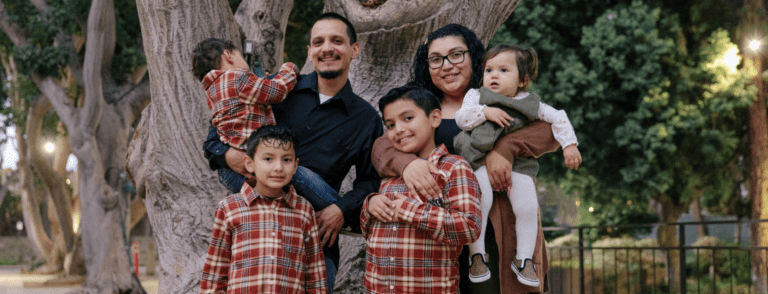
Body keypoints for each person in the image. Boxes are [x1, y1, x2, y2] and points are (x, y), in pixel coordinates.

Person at [371, 23, 562, 293]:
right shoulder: (421, 108)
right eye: (436, 59)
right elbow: (382, 146)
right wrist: (408, 163)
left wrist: (505, 149)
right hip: (435, 232)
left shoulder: (504, 99)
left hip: (496, 230)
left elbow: (550, 129)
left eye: (456, 54)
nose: (446, 65)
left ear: (474, 57)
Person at [203, 12, 383, 293]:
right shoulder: (281, 90)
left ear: (354, 50)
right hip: (256, 233)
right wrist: (230, 156)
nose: (327, 48)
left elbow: (371, 182)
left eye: (337, 41)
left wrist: (339, 209)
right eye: (319, 42)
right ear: (310, 52)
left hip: (318, 242)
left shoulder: (366, 118)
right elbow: (219, 133)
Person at [454, 44, 582, 286]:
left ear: (522, 80)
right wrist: (485, 112)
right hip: (477, 157)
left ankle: (524, 260)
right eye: (489, 69)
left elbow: (558, 118)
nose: (494, 75)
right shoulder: (476, 96)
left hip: (518, 164)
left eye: (504, 70)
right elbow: (462, 118)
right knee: (480, 201)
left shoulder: (531, 103)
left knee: (527, 207)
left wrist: (570, 145)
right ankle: (478, 255)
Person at [193, 37, 341, 212]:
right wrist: (290, 68)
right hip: (256, 163)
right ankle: (344, 210)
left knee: (272, 210)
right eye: (240, 54)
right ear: (228, 55)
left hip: (229, 175)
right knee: (299, 175)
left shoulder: (212, 91)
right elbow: (277, 90)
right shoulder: (236, 78)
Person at [361, 85, 481, 293]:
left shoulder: (454, 167)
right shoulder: (389, 172)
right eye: (390, 125)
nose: (398, 129)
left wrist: (410, 210)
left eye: (407, 118)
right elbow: (369, 231)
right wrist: (371, 205)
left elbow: (469, 227)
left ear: (435, 118)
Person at [200, 125, 327, 294]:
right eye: (268, 159)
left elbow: (315, 274)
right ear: (249, 164)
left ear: (296, 166)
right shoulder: (229, 208)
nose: (278, 168)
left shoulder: (304, 210)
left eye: (286, 160)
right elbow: (215, 272)